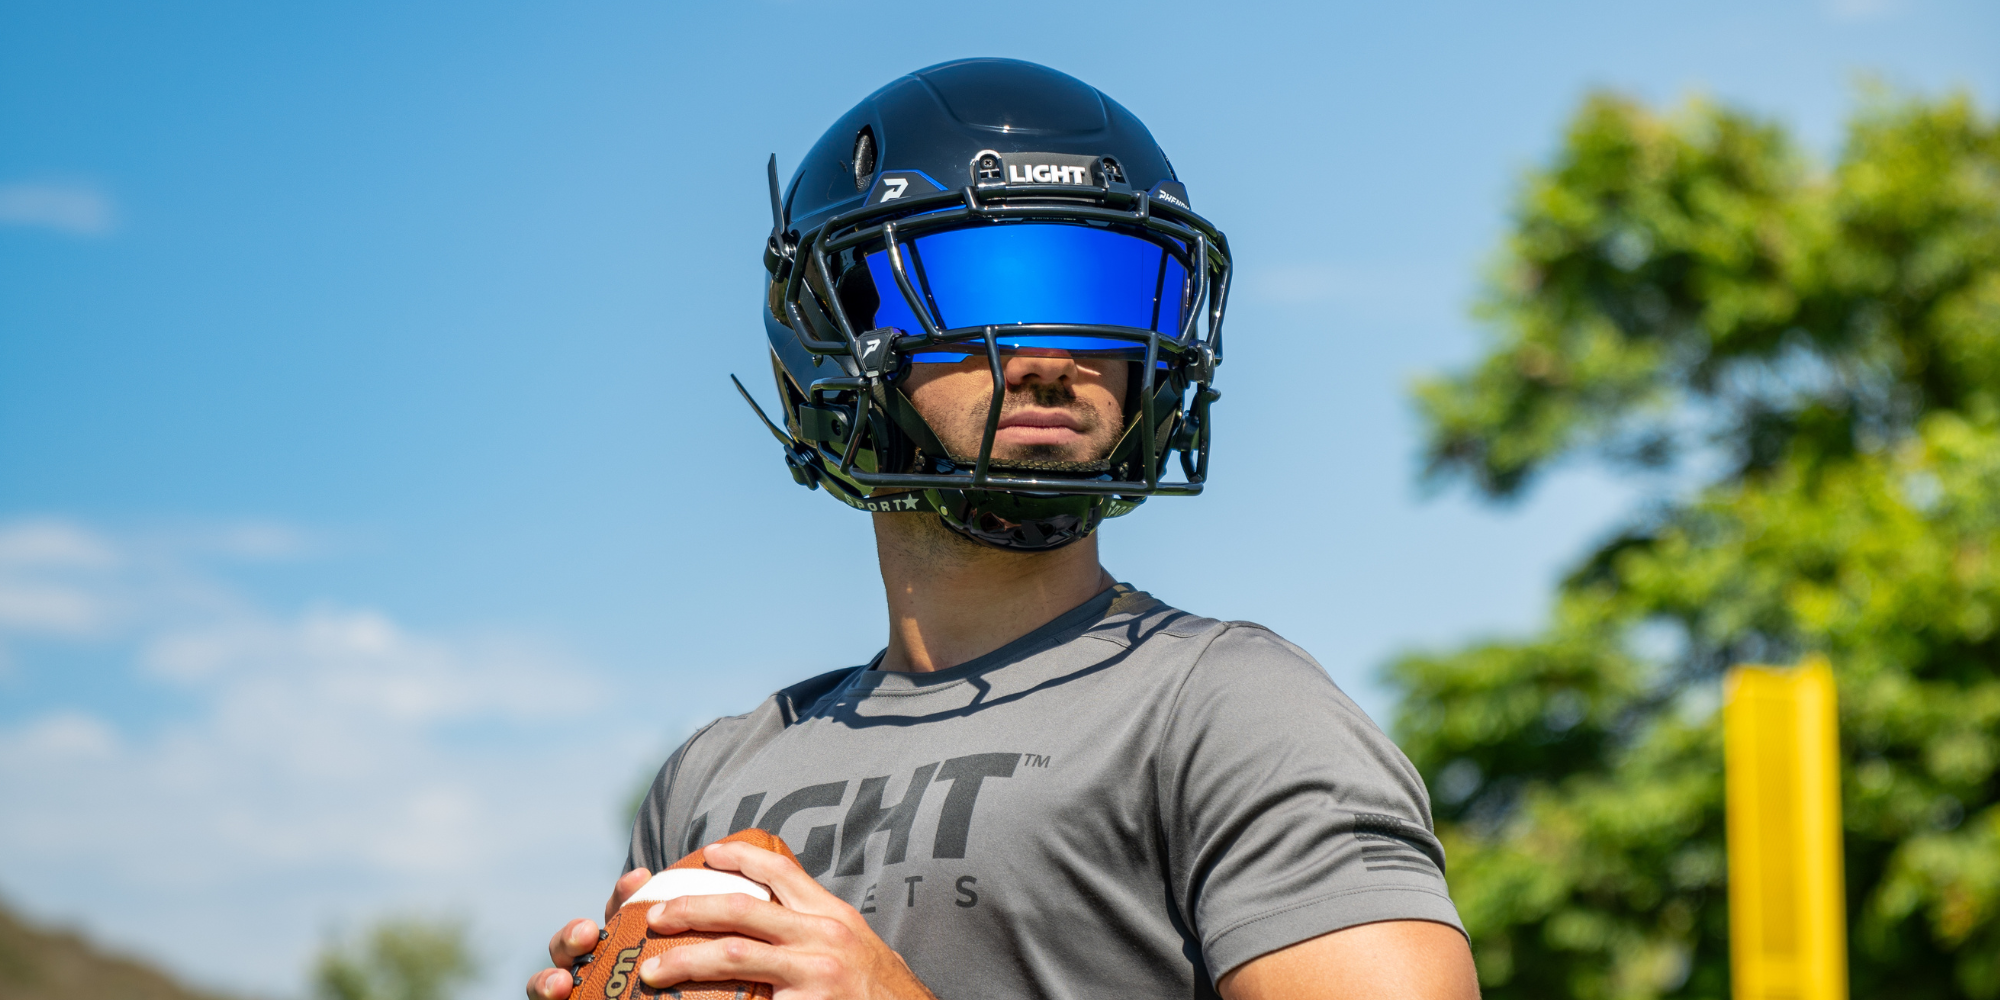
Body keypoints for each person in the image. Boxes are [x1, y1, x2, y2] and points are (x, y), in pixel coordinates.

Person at [525, 57, 1479, 999]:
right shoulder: (715, 773)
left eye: (1107, 296)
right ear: (835, 334)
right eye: (985, 287)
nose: (1053, 355)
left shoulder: (1228, 710)